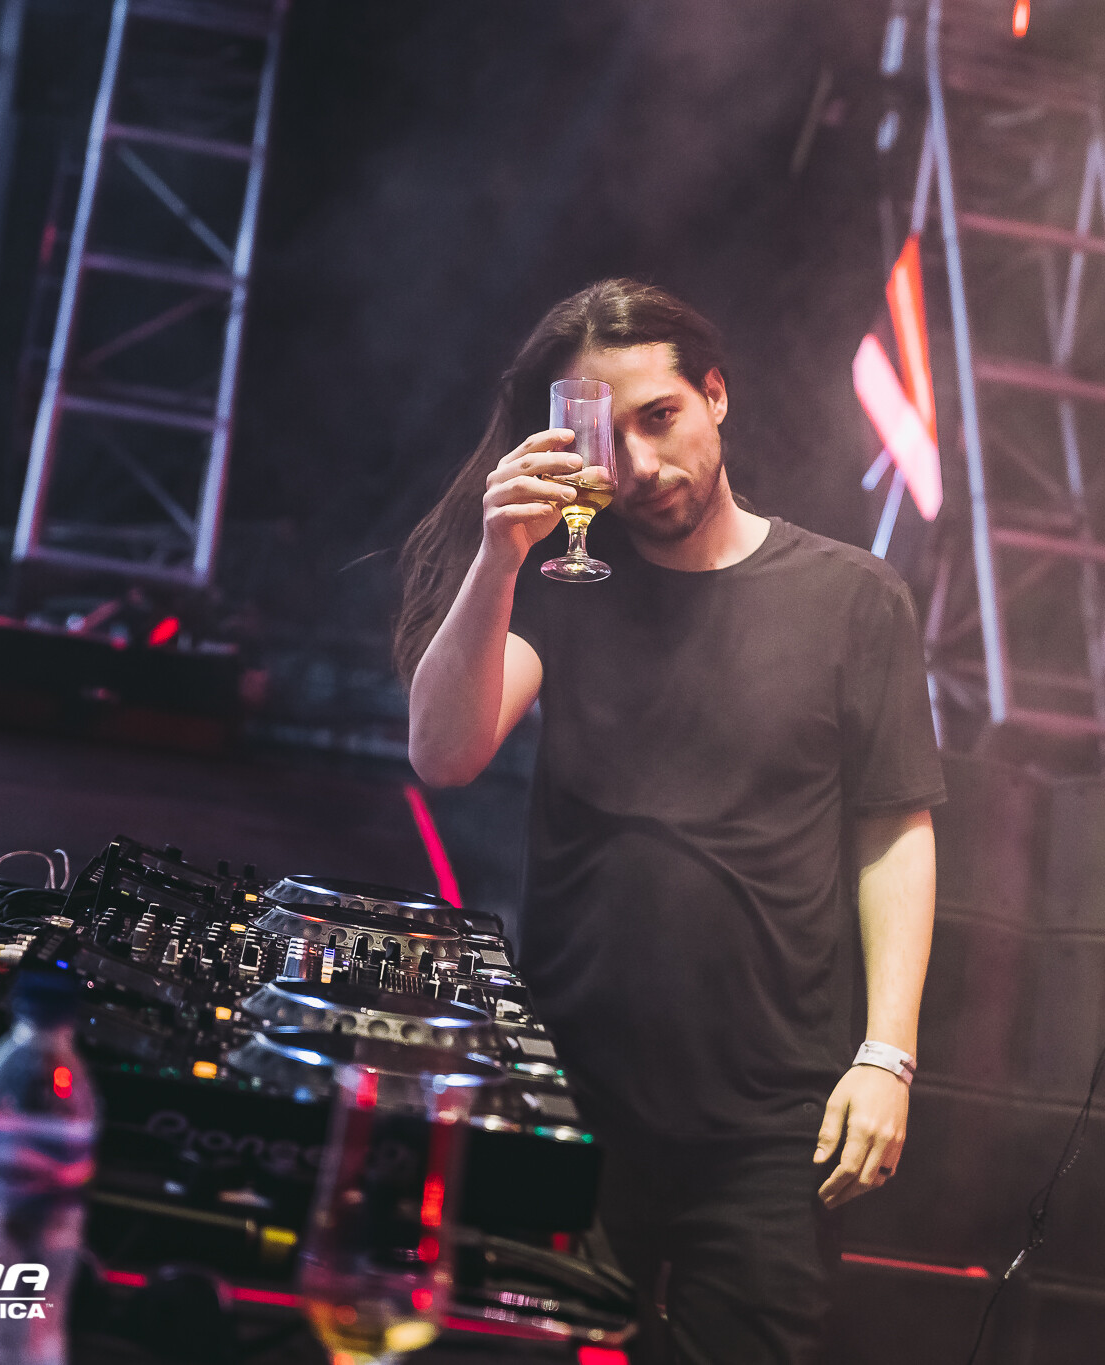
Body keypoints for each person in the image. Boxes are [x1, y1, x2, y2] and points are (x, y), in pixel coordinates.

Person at [395, 279, 944, 1363]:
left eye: (662, 417)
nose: (643, 464)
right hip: (568, 1089)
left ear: (716, 396)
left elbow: (893, 835)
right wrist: (500, 555)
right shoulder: (565, 580)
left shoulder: (852, 597)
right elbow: (443, 753)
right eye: (612, 435)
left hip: (772, 1119)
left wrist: (887, 1056)